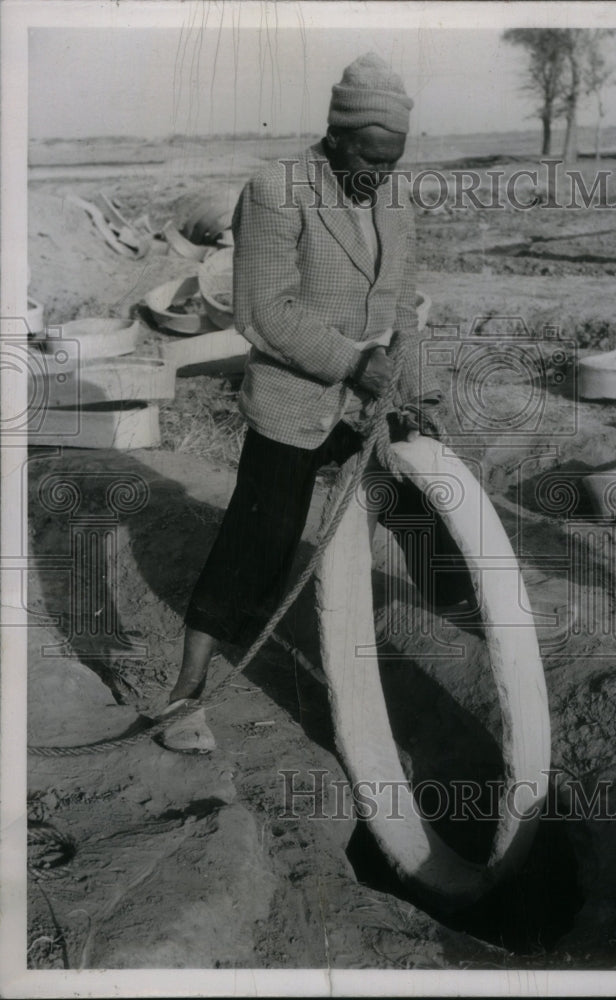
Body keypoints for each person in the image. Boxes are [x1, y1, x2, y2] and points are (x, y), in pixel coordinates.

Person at [159, 53, 470, 752]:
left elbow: (402, 309)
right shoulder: (277, 190)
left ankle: (473, 636)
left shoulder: (392, 198)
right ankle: (184, 694)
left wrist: (413, 389)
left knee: (418, 509)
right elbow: (264, 309)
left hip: (367, 400)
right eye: (368, 157)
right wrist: (352, 363)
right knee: (257, 544)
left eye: (392, 161)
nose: (379, 174)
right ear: (335, 136)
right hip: (296, 399)